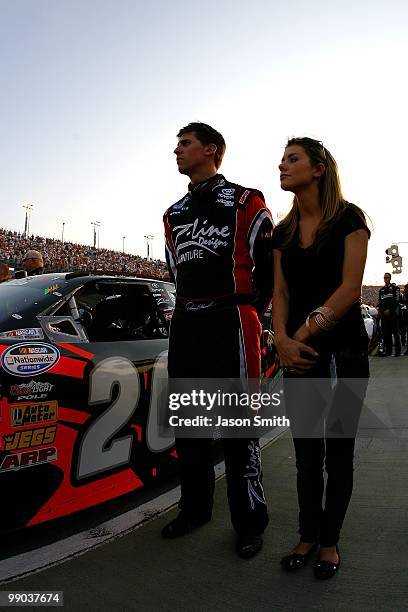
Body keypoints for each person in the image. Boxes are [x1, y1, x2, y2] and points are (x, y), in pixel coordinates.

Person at [163, 122, 274, 558]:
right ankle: (194, 509)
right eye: (177, 145)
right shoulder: (172, 213)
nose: (177, 151)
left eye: (185, 144)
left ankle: (249, 522)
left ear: (211, 150)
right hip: (188, 321)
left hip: (233, 319)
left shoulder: (247, 200)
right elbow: (174, 270)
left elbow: (266, 267)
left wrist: (257, 315)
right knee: (189, 426)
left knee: (237, 428)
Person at [272, 137, 370, 579]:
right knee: (307, 453)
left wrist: (302, 334)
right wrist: (281, 339)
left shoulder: (350, 218)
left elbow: (350, 289)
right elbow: (280, 292)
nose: (282, 165)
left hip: (344, 353)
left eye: (292, 158)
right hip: (298, 356)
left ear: (318, 168)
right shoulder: (282, 232)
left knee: (339, 453)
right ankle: (307, 533)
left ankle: (330, 541)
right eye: (282, 159)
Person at [378, 273, 401, 356]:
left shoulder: (396, 288)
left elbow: (396, 300)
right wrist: (384, 311)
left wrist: (389, 310)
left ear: (390, 278)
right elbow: (380, 303)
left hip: (393, 314)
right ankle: (388, 351)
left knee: (395, 333)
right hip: (384, 315)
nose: (385, 279)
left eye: (387, 277)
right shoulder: (381, 290)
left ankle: (398, 351)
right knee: (386, 333)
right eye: (384, 277)